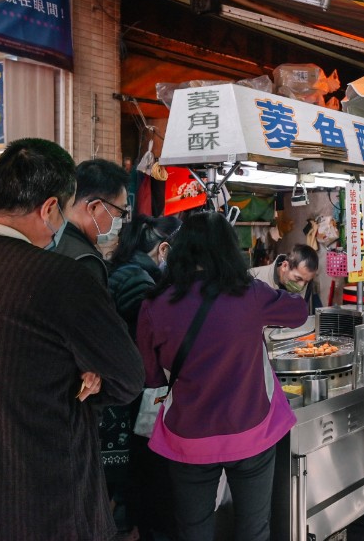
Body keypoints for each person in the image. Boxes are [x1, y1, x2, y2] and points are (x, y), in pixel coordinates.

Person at [0, 138, 144, 540]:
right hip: (43, 500)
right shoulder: (61, 278)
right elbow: (126, 376)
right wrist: (85, 378)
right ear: (50, 208)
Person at [137, 212, 308, 540]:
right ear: (230, 250)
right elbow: (298, 312)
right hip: (251, 430)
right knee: (253, 529)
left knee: (193, 529)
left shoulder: (155, 303)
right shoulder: (251, 293)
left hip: (186, 436)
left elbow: (151, 376)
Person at [108, 214, 182, 539]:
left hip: (121, 394)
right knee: (142, 486)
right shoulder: (140, 283)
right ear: (164, 250)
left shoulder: (125, 272)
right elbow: (148, 345)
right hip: (132, 397)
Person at [55, 158, 131, 284]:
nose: (120, 221)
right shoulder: (86, 262)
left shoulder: (47, 240)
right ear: (94, 208)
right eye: (120, 212)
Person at [250, 243, 319, 312]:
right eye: (298, 278)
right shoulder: (253, 278)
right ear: (285, 266)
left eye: (306, 282)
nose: (301, 286)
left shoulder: (306, 284)